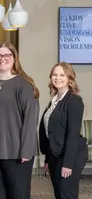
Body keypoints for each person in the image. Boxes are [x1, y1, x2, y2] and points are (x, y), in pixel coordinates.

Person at [0, 42, 40, 199]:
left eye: (7, 55)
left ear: (14, 58)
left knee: (18, 195)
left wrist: (26, 150)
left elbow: (31, 119)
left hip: (17, 152)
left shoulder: (24, 85)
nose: (2, 58)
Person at [39, 62, 88, 199]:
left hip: (71, 155)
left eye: (62, 75)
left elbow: (72, 134)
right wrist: (48, 159)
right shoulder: (53, 102)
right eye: (55, 74)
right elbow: (50, 133)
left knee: (67, 194)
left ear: (69, 78)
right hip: (55, 154)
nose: (57, 78)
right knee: (59, 194)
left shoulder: (74, 101)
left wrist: (68, 164)